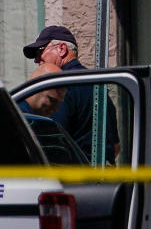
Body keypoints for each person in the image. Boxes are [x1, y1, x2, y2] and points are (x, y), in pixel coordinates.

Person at [22, 25, 120, 162]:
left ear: (61, 49)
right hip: (104, 178)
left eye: (40, 51)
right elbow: (115, 147)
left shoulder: (59, 86)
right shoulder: (97, 85)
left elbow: (51, 143)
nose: (36, 59)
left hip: (74, 179)